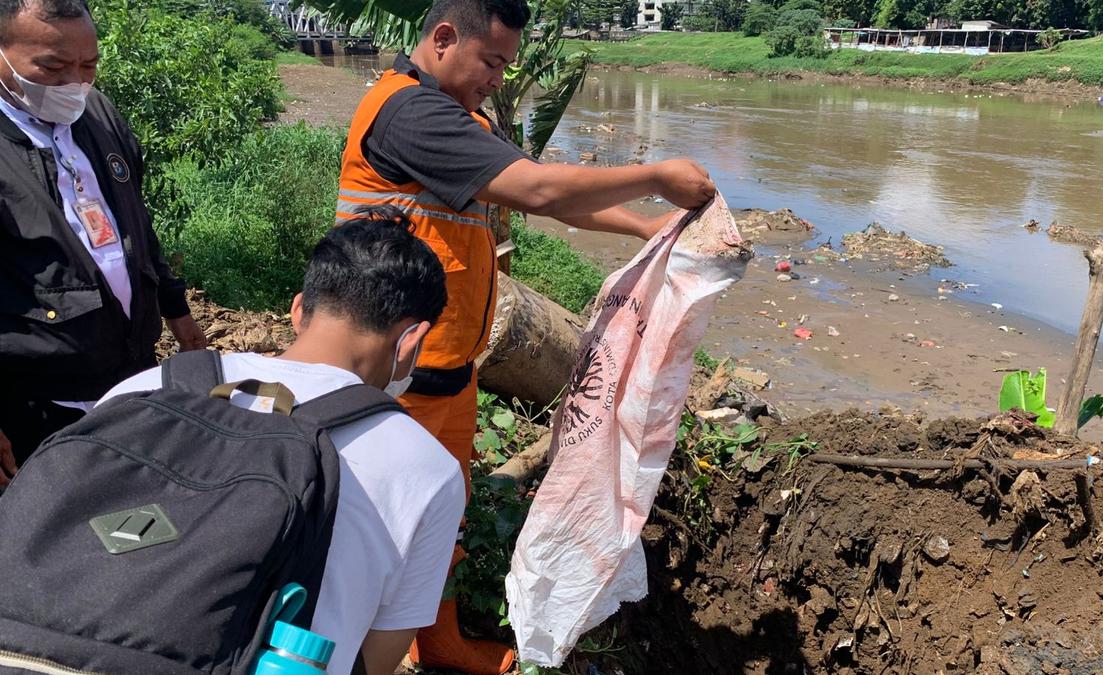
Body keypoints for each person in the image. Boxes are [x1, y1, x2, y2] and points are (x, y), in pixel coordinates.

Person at [337, 0, 717, 671]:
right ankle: (346, 652)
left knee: (440, 517)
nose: (498, 79)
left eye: (507, 66)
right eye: (492, 61)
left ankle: (437, 641)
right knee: (376, 525)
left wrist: (641, 226)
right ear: (444, 38)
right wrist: (657, 178)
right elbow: (540, 190)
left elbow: (547, 195)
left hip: (449, 368)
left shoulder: (466, 120)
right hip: (390, 375)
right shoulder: (409, 113)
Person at [99, 211, 465, 675]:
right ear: (412, 341)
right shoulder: (428, 470)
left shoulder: (141, 390)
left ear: (297, 309)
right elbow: (375, 659)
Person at [0, 0, 206, 487]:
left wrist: (176, 310)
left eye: (88, 65)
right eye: (52, 67)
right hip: (38, 402)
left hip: (130, 381)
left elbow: (137, 222)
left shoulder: (97, 113)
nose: (74, 82)